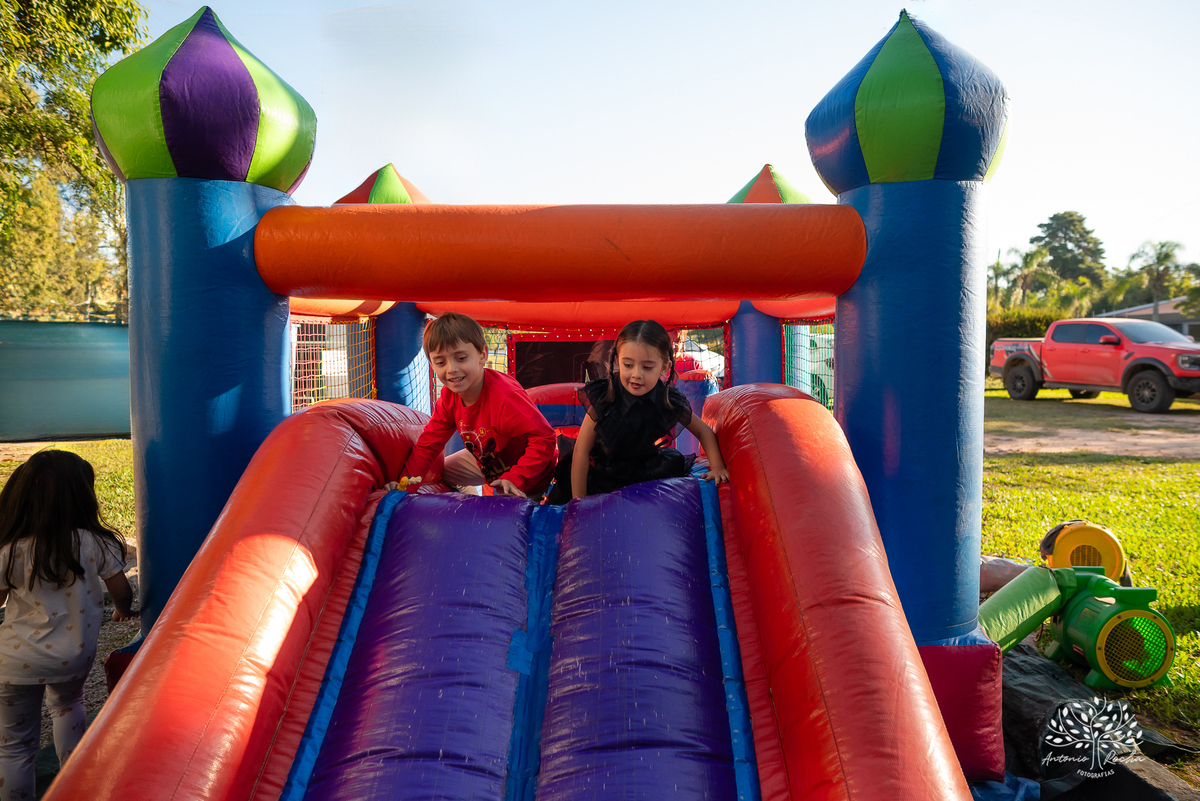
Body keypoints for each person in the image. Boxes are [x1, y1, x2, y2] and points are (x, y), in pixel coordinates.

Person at [0, 450, 134, 801]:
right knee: (67, 706)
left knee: (15, 746)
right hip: (71, 658)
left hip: (13, 663)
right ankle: (75, 787)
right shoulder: (97, 543)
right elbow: (121, 589)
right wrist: (122, 609)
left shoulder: (11, 549)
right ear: (82, 496)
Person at [546, 319, 730, 504]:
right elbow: (581, 450)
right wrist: (580, 500)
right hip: (604, 472)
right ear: (617, 360)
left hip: (646, 468)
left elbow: (703, 431)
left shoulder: (667, 399)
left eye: (647, 367)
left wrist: (717, 467)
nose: (636, 374)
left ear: (664, 366)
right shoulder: (606, 397)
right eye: (628, 365)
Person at [402, 312, 558, 498]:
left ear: (482, 355)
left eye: (461, 358)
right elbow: (428, 445)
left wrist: (517, 477)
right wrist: (404, 486)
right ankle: (466, 503)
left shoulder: (504, 397)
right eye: (441, 362)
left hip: (527, 469)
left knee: (503, 501)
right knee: (441, 474)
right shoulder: (449, 397)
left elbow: (545, 438)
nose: (451, 369)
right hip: (487, 462)